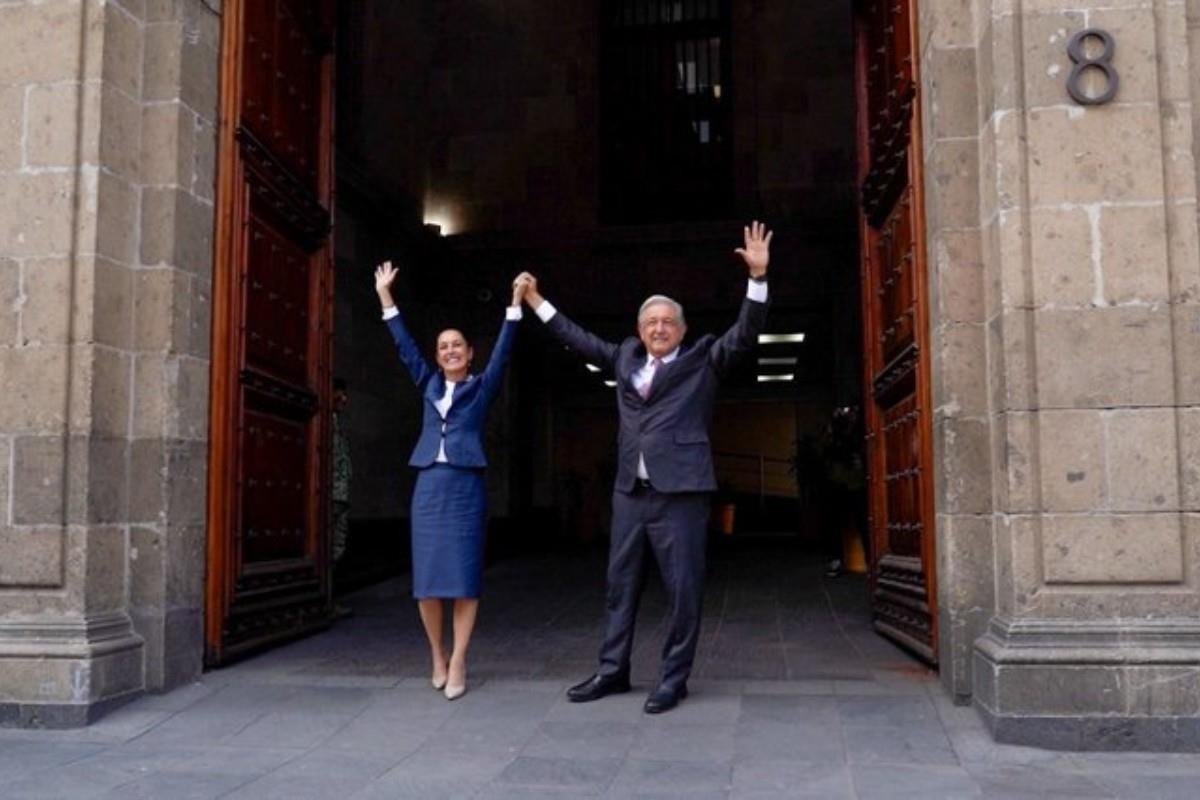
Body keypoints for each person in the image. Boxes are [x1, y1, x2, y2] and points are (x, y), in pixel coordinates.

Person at [517, 220, 773, 714]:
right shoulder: (624, 359)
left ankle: (672, 680)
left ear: (682, 330)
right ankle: (613, 671)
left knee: (682, 589)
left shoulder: (704, 359)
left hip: (681, 493)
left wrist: (757, 279)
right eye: (651, 322)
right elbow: (578, 339)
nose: (659, 328)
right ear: (639, 330)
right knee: (620, 585)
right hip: (630, 493)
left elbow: (745, 334)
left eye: (668, 322)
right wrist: (535, 302)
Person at [375, 260, 527, 700]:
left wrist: (514, 306)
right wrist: (387, 297)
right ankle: (436, 656)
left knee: (463, 579)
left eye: (457, 345)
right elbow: (404, 346)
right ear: (437, 355)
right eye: (443, 347)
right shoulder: (426, 383)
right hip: (429, 486)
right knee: (426, 582)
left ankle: (459, 658)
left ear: (469, 352)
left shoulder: (482, 387)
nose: (450, 351)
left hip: (465, 489)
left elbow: (503, 352)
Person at [330, 377, 353, 618]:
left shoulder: (338, 424)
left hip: (341, 495)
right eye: (339, 393)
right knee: (327, 549)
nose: (343, 399)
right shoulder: (322, 423)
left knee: (337, 548)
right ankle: (324, 602)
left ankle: (329, 600)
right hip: (329, 496)